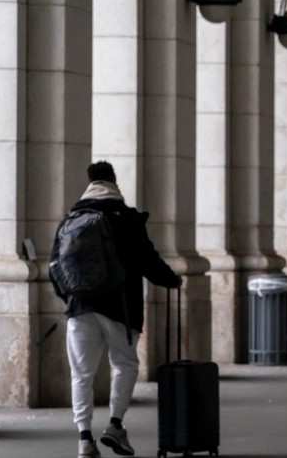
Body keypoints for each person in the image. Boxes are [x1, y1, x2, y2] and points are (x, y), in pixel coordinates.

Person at [50, 161, 180, 458]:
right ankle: (115, 425)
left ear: (89, 182)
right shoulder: (127, 219)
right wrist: (171, 280)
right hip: (121, 308)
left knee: (81, 374)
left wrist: (70, 297)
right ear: (114, 181)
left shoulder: (72, 218)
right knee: (125, 365)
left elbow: (55, 266)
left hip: (80, 308)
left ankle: (84, 439)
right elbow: (148, 261)